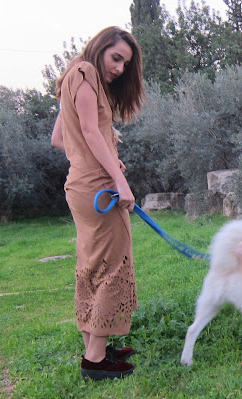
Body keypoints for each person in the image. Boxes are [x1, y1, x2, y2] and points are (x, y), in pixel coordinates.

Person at [51, 26, 144, 380]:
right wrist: (119, 179)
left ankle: (96, 345)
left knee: (92, 265)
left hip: (79, 186)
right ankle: (95, 360)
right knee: (113, 265)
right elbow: (89, 132)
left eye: (125, 64)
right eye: (116, 58)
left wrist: (106, 154)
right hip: (99, 189)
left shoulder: (72, 75)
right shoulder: (86, 72)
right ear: (100, 47)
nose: (119, 68)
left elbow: (60, 138)